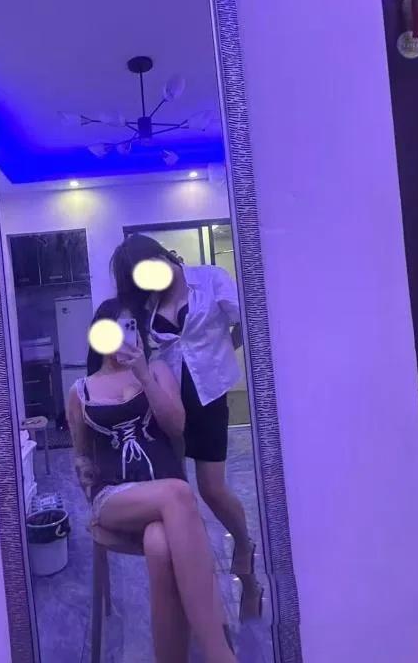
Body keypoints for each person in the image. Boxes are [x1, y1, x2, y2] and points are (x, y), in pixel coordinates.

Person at [67, 298, 236, 663]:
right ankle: (220, 654)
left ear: (138, 333)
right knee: (179, 492)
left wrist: (143, 374)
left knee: (159, 545)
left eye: (129, 326)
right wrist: (88, 492)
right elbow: (80, 454)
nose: (121, 335)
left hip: (165, 499)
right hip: (114, 497)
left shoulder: (156, 371)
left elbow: (176, 427)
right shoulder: (81, 391)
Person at [111, 234, 261, 618]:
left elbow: (246, 319)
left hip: (209, 398)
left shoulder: (210, 279)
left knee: (211, 489)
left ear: (162, 255)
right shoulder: (149, 304)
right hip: (170, 401)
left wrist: (223, 349)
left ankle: (245, 550)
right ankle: (194, 589)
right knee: (178, 493)